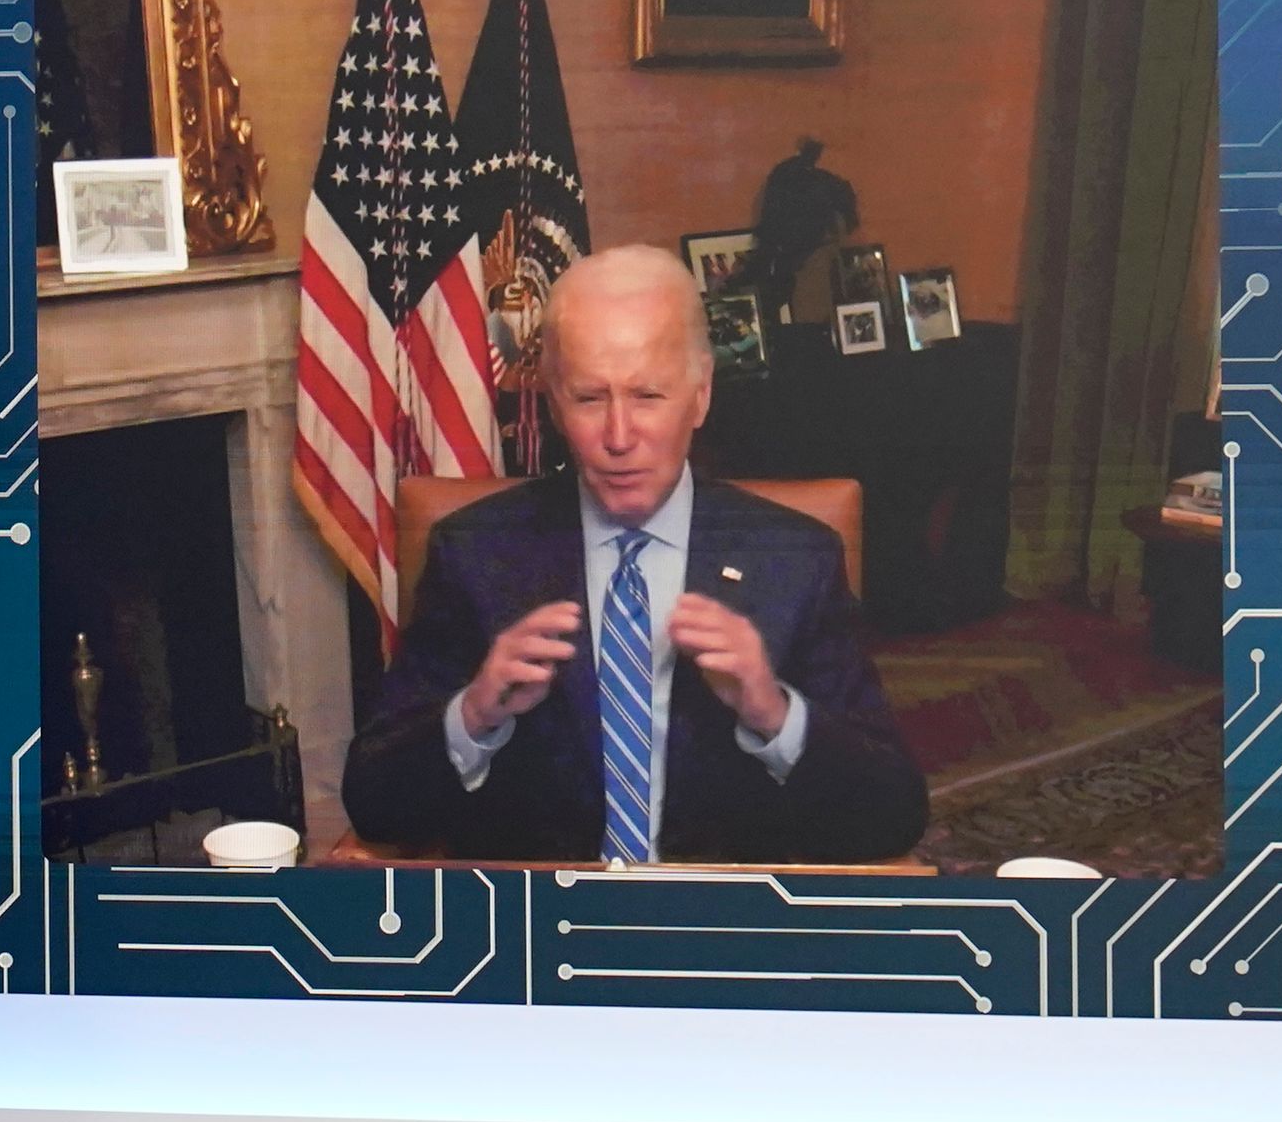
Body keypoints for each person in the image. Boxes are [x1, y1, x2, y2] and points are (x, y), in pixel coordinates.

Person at [342, 246, 928, 865]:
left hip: (720, 926)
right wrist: (475, 715)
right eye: (590, 399)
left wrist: (774, 714)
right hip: (540, 929)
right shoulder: (477, 552)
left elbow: (892, 819)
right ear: (551, 402)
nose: (619, 438)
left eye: (648, 396)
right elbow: (375, 805)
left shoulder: (794, 558)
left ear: (700, 398)